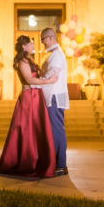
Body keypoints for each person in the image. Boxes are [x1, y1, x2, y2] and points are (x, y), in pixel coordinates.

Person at [0, 35, 58, 178]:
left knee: (37, 129)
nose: (33, 46)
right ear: (24, 47)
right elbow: (29, 79)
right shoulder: (22, 62)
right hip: (29, 98)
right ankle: (28, 162)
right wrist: (48, 81)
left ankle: (39, 161)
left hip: (37, 97)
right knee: (28, 130)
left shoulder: (30, 60)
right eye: (30, 44)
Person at [39, 26, 69, 176]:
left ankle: (60, 165)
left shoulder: (56, 54)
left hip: (54, 96)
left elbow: (52, 74)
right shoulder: (53, 53)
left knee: (57, 130)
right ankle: (59, 163)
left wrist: (36, 82)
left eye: (43, 39)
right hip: (53, 96)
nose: (42, 43)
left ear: (50, 38)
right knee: (55, 129)